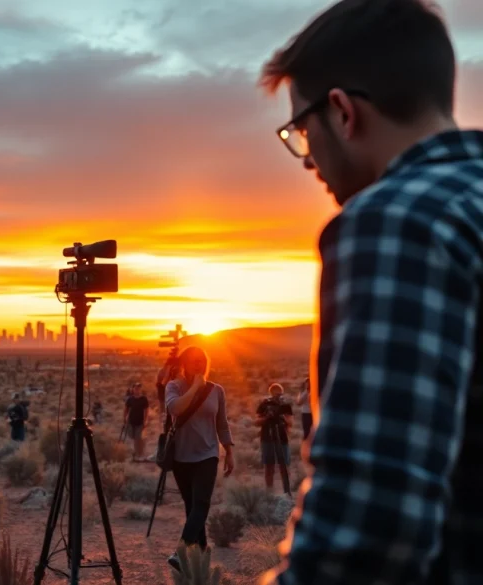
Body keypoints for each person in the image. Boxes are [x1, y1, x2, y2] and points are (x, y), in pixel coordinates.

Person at [258, 1, 483, 583]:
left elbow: (366, 536)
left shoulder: (400, 222)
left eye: (301, 133)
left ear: (341, 112)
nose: (307, 161)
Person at [163, 346, 234, 572]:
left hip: (208, 455)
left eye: (202, 361)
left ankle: (181, 552)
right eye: (194, 361)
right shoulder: (174, 386)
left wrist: (229, 451)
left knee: (201, 503)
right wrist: (194, 387)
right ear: (185, 364)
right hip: (181, 457)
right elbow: (175, 408)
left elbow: (222, 423)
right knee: (192, 507)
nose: (199, 365)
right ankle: (200, 557)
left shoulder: (216, 390)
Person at [255, 383, 293, 491]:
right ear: (270, 394)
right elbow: (257, 421)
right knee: (269, 466)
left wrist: (283, 418)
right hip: (267, 437)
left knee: (284, 466)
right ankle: (269, 491)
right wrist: (267, 417)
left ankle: (287, 490)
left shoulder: (285, 405)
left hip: (282, 437)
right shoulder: (264, 404)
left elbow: (290, 422)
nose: (277, 397)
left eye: (279, 394)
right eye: (275, 395)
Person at [123, 383, 149, 462]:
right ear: (133, 389)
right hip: (131, 422)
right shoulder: (130, 399)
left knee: (138, 438)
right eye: (135, 388)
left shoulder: (144, 399)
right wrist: (124, 418)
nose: (137, 390)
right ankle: (136, 453)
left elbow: (146, 411)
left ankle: (139, 455)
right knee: (133, 438)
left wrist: (145, 421)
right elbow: (126, 409)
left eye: (138, 388)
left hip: (140, 422)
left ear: (140, 389)